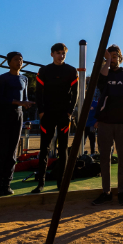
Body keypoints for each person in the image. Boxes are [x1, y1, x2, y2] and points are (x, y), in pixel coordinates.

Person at [32, 43, 78, 194]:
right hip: (48, 114)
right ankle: (40, 183)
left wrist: (70, 113)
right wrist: (41, 112)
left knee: (63, 149)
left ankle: (61, 183)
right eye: (58, 53)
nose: (61, 56)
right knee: (44, 149)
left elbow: (75, 94)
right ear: (52, 54)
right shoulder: (44, 71)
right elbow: (39, 93)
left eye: (63, 53)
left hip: (64, 115)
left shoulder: (71, 71)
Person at [0, 51, 34, 196]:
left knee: (12, 151)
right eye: (16, 59)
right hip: (4, 114)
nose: (19, 62)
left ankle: (7, 183)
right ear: (9, 62)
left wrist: (26, 104)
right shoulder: (3, 78)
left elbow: (26, 97)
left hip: (18, 115)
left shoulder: (25, 79)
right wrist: (18, 102)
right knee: (1, 150)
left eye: (21, 59)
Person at [92, 44, 123, 206]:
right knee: (104, 159)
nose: (112, 60)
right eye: (109, 57)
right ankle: (106, 192)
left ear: (120, 58)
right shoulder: (103, 74)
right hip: (105, 122)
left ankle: (122, 191)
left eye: (114, 57)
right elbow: (103, 77)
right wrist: (105, 61)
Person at [84, 80, 100, 155]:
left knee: (92, 139)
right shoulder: (83, 103)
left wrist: (96, 121)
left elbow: (99, 113)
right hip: (84, 125)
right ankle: (81, 152)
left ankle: (93, 153)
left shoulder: (95, 103)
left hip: (91, 125)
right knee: (83, 140)